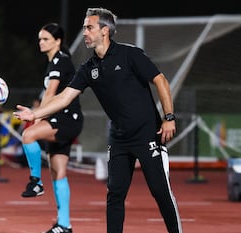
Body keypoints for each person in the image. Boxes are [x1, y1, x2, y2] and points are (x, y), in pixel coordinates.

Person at [14, 7, 182, 233]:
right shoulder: (88, 68)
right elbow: (64, 97)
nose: (84, 32)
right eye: (84, 27)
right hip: (120, 138)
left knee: (160, 191)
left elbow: (161, 81)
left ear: (104, 30)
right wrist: (35, 115)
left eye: (89, 27)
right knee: (115, 194)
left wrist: (168, 117)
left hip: (148, 134)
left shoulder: (130, 54)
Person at [20, 23, 83, 233]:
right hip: (65, 120)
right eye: (40, 39)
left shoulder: (60, 61)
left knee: (28, 135)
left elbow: (51, 93)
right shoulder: (53, 62)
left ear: (58, 41)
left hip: (66, 119)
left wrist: (37, 117)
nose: (41, 42)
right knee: (58, 172)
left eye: (46, 39)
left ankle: (35, 182)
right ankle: (64, 225)